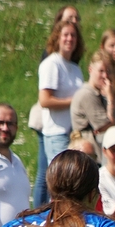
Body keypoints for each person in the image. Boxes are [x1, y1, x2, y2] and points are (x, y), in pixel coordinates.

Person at [37, 19, 85, 206]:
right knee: (61, 183)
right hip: (56, 132)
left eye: (73, 35)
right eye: (65, 35)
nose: (69, 39)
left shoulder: (75, 68)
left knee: (75, 182)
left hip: (74, 133)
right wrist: (75, 102)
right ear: (57, 37)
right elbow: (45, 100)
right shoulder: (51, 64)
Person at [70, 50, 115, 159]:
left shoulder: (101, 94)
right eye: (101, 71)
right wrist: (110, 98)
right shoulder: (86, 94)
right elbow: (108, 126)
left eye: (108, 71)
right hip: (88, 154)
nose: (105, 76)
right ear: (90, 69)